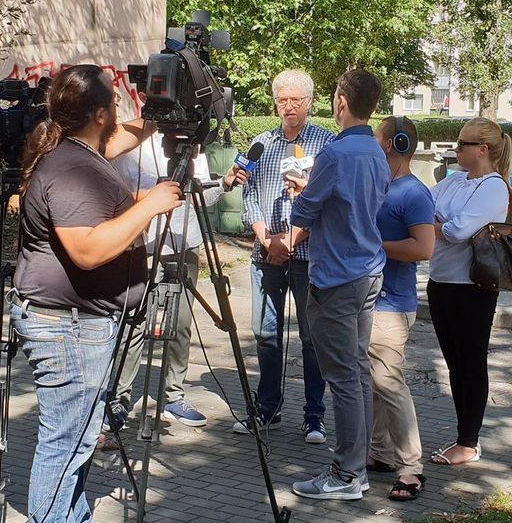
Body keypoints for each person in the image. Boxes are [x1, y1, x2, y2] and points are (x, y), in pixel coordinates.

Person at [9, 64, 182, 522]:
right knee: (65, 442)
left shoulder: (78, 149)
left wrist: (164, 110)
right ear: (99, 114)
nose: (121, 107)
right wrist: (150, 206)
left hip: (76, 323)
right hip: (67, 326)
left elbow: (128, 135)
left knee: (77, 438)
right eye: (115, 102)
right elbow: (86, 250)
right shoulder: (70, 168)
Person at [287, 69, 391, 500]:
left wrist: (302, 193)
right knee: (357, 374)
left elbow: (303, 213)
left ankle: (348, 474)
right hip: (367, 271)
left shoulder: (335, 153)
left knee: (345, 377)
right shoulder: (376, 151)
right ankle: (355, 466)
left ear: (341, 103)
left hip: (338, 277)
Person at [231, 69, 335, 443]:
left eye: (296, 100)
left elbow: (325, 199)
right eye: (282, 100)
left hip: (307, 255)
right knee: (265, 334)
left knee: (311, 338)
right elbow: (249, 195)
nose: (288, 107)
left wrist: (290, 240)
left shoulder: (326, 143)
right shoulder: (261, 143)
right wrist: (266, 239)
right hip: (266, 254)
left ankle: (314, 416)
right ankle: (267, 408)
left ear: (309, 102)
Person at [109, 132, 227, 428]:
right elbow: (117, 194)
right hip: (145, 243)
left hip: (186, 242)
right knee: (134, 321)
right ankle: (119, 398)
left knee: (181, 324)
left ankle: (174, 396)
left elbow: (202, 196)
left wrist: (223, 184)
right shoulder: (132, 140)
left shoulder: (192, 143)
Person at [427, 116, 512, 467]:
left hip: (472, 287)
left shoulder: (493, 187)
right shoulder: (455, 181)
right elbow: (423, 206)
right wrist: (437, 224)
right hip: (441, 281)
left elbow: (458, 230)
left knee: (471, 362)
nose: (456, 149)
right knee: (453, 364)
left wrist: (434, 224)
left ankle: (469, 441)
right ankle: (462, 434)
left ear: (483, 149)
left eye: (462, 144)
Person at [366, 116, 435, 501]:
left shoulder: (413, 193)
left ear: (392, 143)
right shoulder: (382, 187)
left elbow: (423, 248)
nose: (373, 144)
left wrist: (373, 245)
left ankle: (412, 468)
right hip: (373, 301)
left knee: (390, 383)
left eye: (377, 138)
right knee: (377, 383)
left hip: (392, 305)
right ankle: (379, 455)